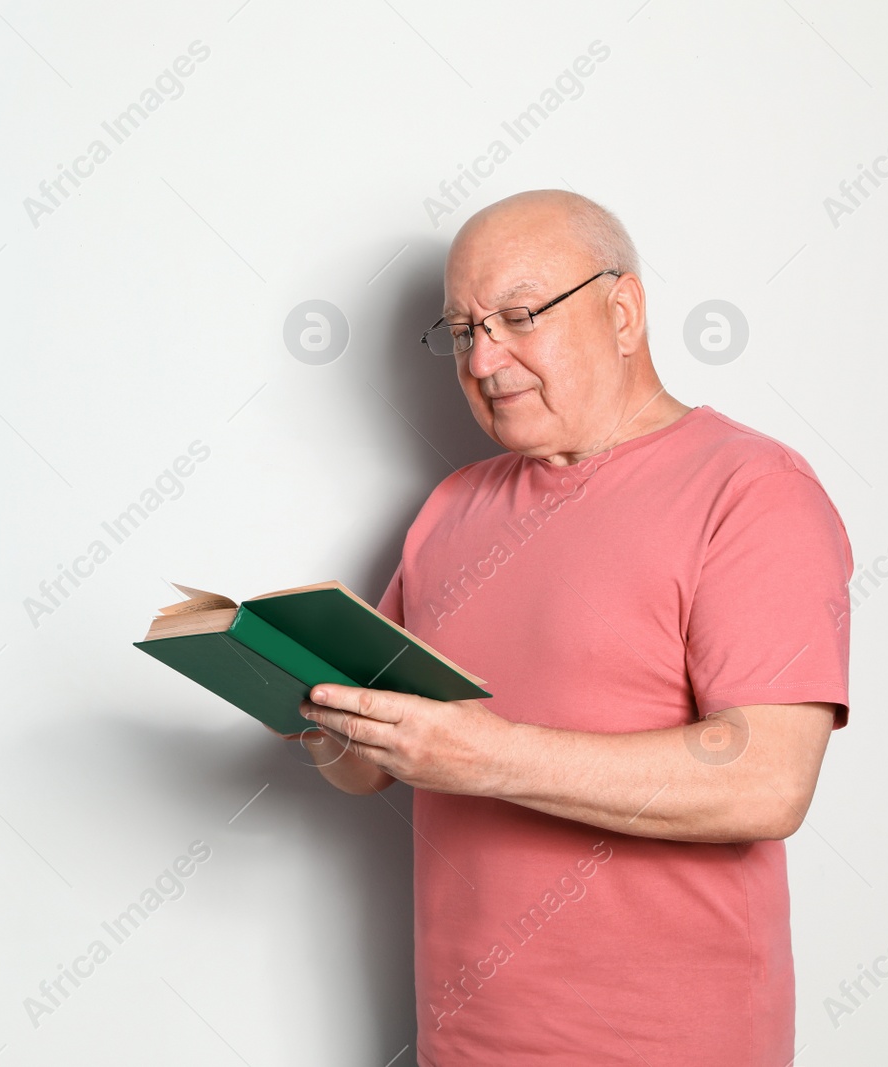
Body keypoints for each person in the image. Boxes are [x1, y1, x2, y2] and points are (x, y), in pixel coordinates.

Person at [284, 189, 852, 1065]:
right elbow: (368, 768)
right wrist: (307, 702)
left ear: (622, 311)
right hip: (462, 1045)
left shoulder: (752, 490)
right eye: (463, 331)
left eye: (517, 316)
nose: (482, 358)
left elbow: (767, 781)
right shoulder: (449, 508)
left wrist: (486, 754)